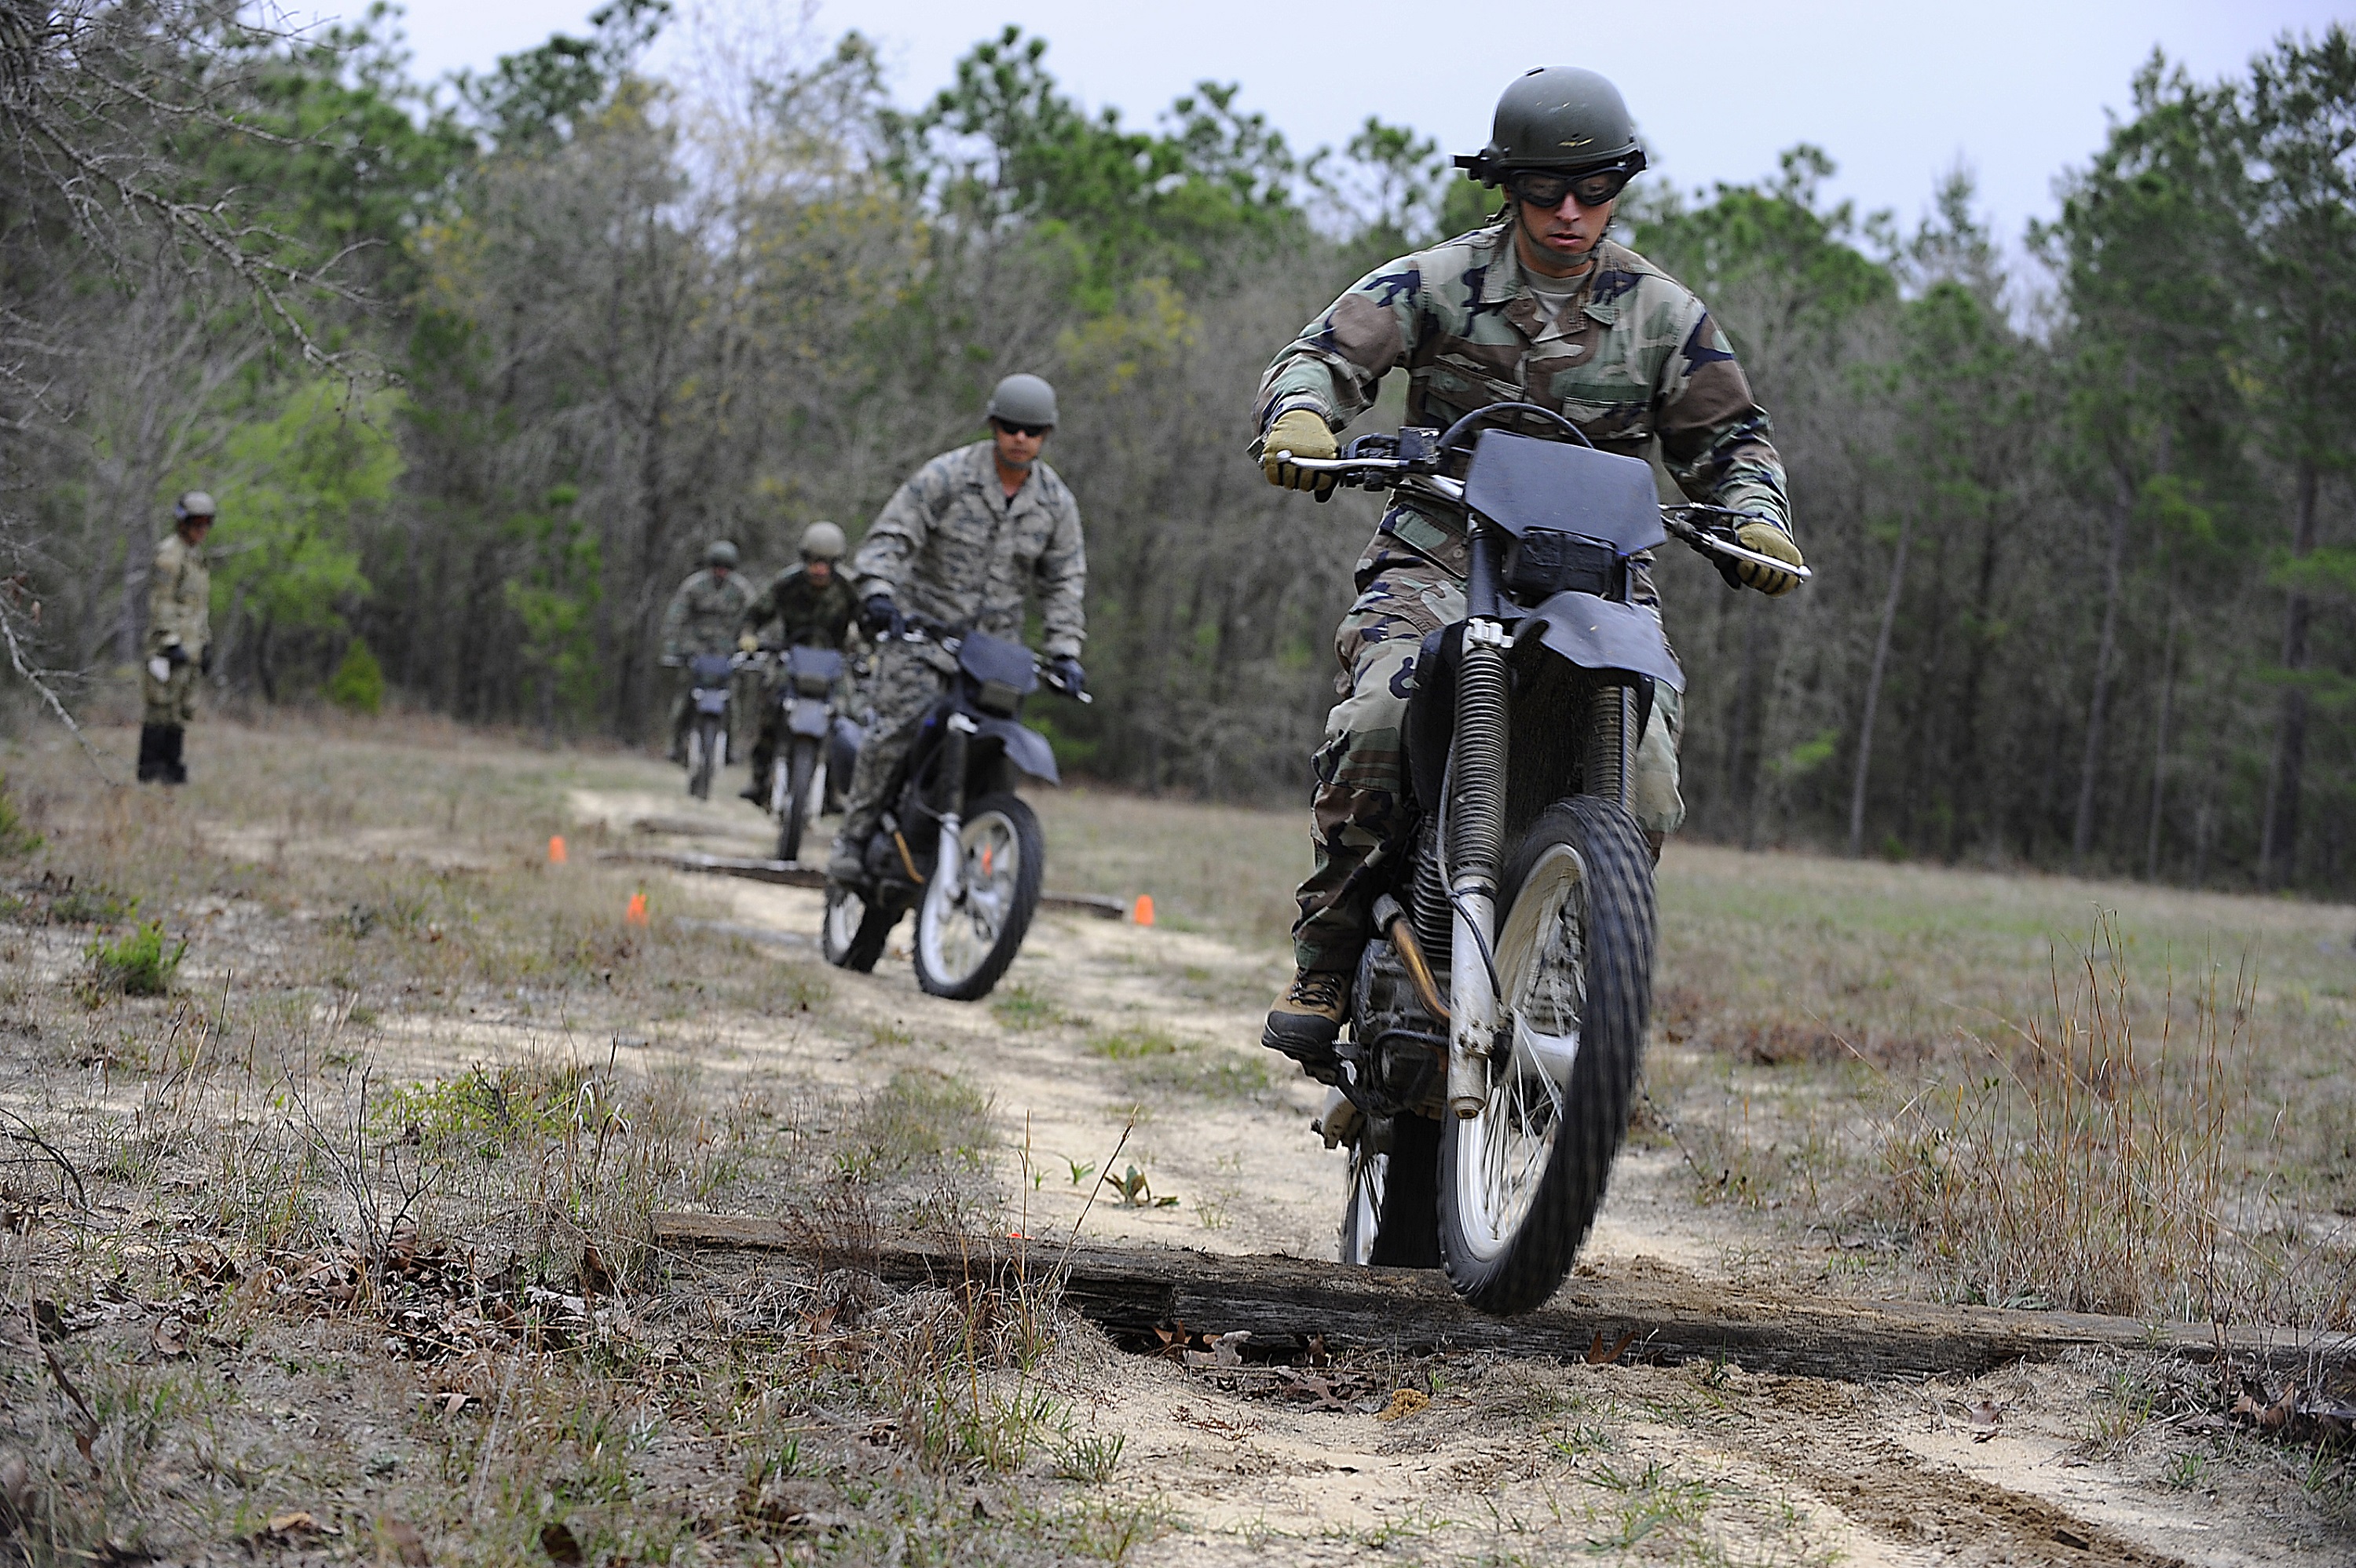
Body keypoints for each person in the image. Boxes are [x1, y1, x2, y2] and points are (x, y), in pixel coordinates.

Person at [1253, 66, 1806, 1074]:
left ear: (1620, 187)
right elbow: (1321, 357)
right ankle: (1328, 955)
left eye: (1594, 189)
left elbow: (1733, 443)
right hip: (1441, 550)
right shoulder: (1436, 281)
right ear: (1505, 184)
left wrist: (1759, 520)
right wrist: (1302, 417)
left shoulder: (1662, 315)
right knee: (1380, 717)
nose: (1569, 211)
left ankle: (1567, 957)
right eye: (1547, 189)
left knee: (1645, 780)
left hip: (1596, 575)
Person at [825, 374, 1087, 883]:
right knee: (892, 732)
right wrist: (878, 591)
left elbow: (1065, 581)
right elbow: (891, 536)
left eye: (1032, 431)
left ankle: (984, 850)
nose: (1020, 439)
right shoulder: (945, 476)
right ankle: (853, 838)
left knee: (1001, 754)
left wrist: (1064, 650)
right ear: (993, 425)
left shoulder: (1057, 505)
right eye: (1010, 427)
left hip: (995, 655)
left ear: (1046, 436)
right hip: (923, 637)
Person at [736, 521, 861, 803]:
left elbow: (868, 625)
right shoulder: (787, 584)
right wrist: (749, 637)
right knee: (769, 706)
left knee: (846, 717)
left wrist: (871, 652)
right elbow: (755, 615)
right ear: (804, 560)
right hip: (792, 659)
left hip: (834, 664)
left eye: (825, 564)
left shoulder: (849, 589)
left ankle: (834, 790)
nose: (818, 570)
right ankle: (759, 777)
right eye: (813, 562)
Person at [140, 491, 214, 785]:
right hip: (167, 649)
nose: (202, 529)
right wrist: (170, 642)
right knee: (160, 709)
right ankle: (150, 771)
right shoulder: (170, 555)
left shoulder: (195, 558)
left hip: (191, 647)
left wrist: (205, 644)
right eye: (196, 522)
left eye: (207, 523)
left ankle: (172, 770)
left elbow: (197, 608)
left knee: (181, 711)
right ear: (182, 523)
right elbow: (161, 602)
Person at [659, 540, 754, 765]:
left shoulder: (740, 590)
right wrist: (673, 645)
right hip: (696, 651)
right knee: (684, 695)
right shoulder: (694, 586)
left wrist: (750, 643)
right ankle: (675, 742)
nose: (721, 572)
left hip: (727, 653)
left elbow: (753, 617)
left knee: (732, 700)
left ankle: (730, 747)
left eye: (726, 567)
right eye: (717, 567)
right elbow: (676, 616)